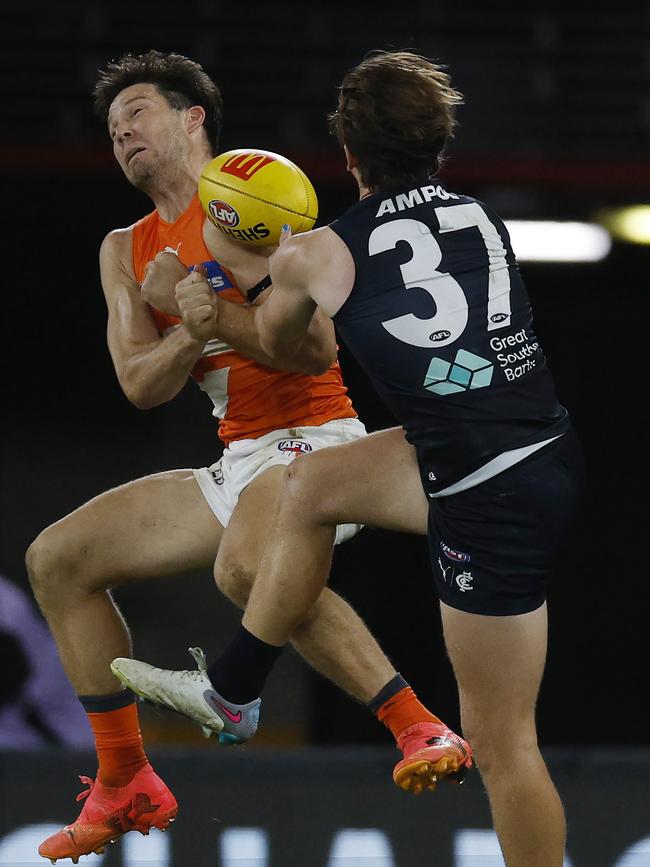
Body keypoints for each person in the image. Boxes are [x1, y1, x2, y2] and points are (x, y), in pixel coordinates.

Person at [114, 50, 584, 867]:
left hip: (483, 493)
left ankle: (232, 692)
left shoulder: (317, 253)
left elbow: (280, 342)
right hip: (531, 445)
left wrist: (202, 309)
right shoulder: (479, 214)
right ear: (438, 145)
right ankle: (231, 688)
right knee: (311, 485)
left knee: (504, 744)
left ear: (348, 156)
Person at [26, 50, 470, 864]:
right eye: (112, 126)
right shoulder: (124, 247)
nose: (121, 130)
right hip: (237, 457)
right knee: (57, 558)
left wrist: (202, 304)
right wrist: (191, 326)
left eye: (139, 112)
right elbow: (138, 384)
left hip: (316, 438)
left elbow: (312, 351)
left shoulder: (251, 194)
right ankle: (125, 778)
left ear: (194, 118)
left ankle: (417, 724)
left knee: (244, 574)